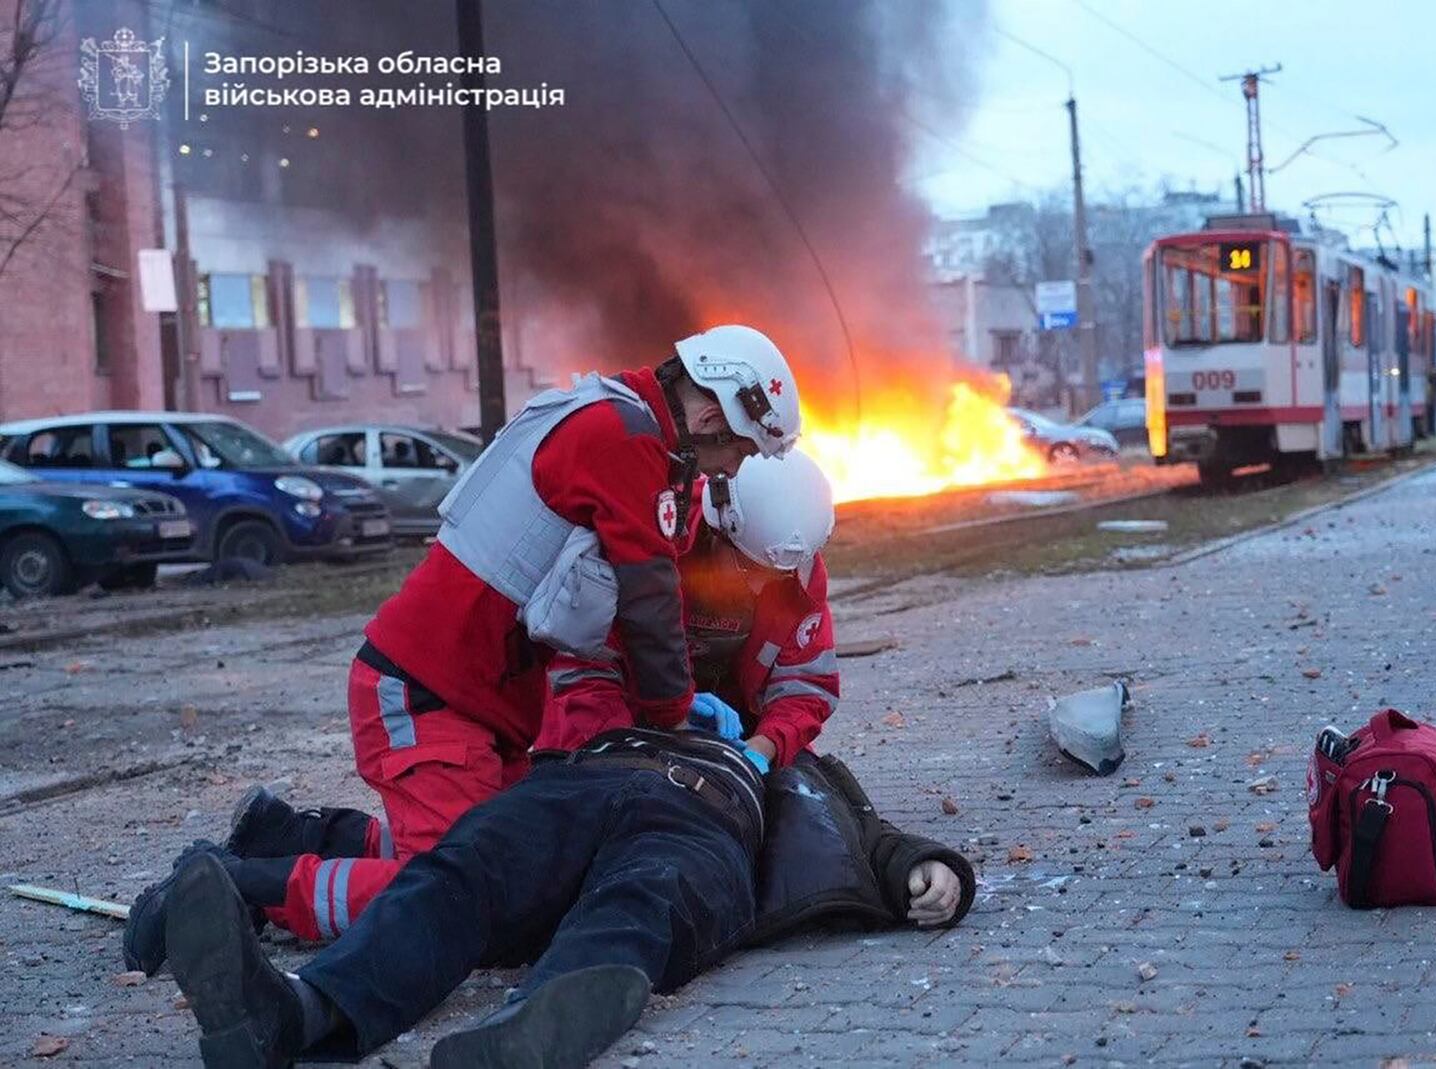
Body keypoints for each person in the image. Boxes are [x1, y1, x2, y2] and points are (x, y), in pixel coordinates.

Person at [122, 326, 802, 976]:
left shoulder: (620, 425)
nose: (732, 469)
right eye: (741, 452)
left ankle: (288, 837)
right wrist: (674, 716)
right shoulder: (624, 440)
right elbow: (648, 599)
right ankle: (232, 889)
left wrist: (661, 707)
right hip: (429, 693)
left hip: (473, 702)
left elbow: (619, 610)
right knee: (458, 891)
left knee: (521, 862)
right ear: (715, 415)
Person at [161, 725, 975, 1068]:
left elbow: (861, 827)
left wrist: (925, 868)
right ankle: (295, 1015)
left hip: (703, 825)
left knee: (642, 898)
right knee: (458, 872)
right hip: (576, 788)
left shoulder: (789, 749)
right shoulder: (620, 676)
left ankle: (533, 1027)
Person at [538, 449, 840, 771]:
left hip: (739, 738)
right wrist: (655, 728)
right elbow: (581, 674)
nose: (759, 587)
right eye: (748, 568)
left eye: (775, 576)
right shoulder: (643, 546)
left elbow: (805, 687)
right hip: (619, 725)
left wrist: (763, 748)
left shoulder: (791, 568)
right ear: (717, 531)